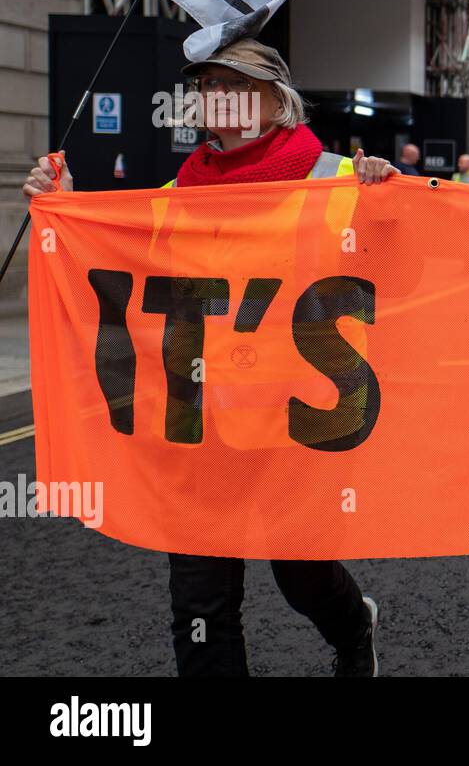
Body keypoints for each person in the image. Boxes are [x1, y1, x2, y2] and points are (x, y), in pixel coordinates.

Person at [22, 38, 398, 676]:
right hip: (200, 428)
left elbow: (402, 275)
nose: (219, 98)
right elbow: (126, 271)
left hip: (295, 431)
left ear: (279, 102)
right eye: (209, 87)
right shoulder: (178, 192)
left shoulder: (334, 177)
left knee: (302, 579)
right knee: (200, 603)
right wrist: (65, 206)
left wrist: (389, 202)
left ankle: (355, 627)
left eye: (239, 86)